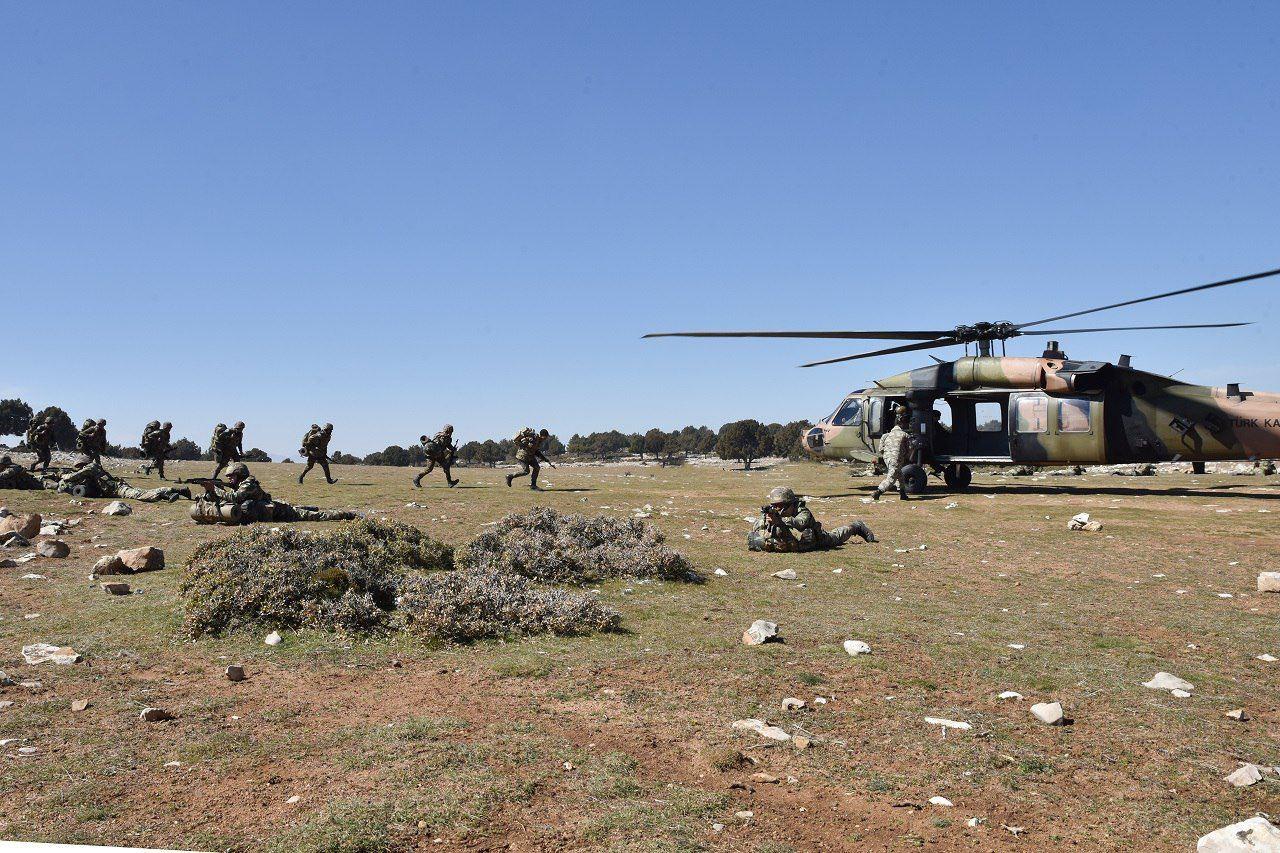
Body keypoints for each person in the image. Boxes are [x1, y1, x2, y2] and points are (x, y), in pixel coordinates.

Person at [194, 462, 355, 523]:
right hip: (269, 509)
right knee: (303, 509)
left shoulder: (248, 483)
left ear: (240, 474)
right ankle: (308, 507)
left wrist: (214, 488)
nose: (229, 480)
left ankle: (346, 515)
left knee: (313, 516)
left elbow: (235, 497)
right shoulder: (240, 483)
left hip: (277, 511)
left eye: (232, 476)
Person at [748, 487, 876, 552]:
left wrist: (780, 522)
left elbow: (800, 524)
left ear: (791, 504)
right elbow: (757, 527)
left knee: (836, 537)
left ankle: (856, 527)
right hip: (794, 539)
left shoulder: (803, 511)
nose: (776, 509)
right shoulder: (772, 514)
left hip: (817, 537)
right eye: (774, 506)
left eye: (780, 506)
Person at [51, 459, 192, 502]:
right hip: (115, 488)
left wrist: (63, 477)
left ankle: (166, 493)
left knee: (139, 495)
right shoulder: (92, 469)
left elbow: (72, 477)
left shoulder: (90, 468)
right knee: (140, 492)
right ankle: (175, 491)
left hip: (116, 488)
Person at [872, 408, 913, 501]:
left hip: (887, 458)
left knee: (900, 475)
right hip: (896, 458)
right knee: (891, 479)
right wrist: (905, 456)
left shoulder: (885, 435)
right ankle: (878, 492)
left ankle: (903, 494)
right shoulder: (905, 435)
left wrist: (888, 455)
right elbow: (909, 450)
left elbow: (880, 449)